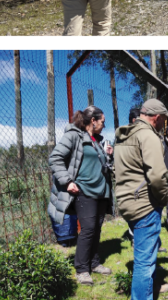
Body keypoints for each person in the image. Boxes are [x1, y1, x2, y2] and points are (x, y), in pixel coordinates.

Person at [48, 106, 114, 285]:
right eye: (102, 121)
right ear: (93, 120)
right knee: (88, 230)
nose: (104, 125)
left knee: (97, 228)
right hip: (84, 190)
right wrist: (67, 181)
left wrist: (108, 156)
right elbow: (55, 158)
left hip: (101, 192)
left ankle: (94, 263)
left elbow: (99, 165)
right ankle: (82, 269)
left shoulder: (97, 140)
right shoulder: (73, 135)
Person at [114, 99, 168, 299]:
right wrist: (164, 198)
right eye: (164, 118)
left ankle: (150, 287)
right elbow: (156, 176)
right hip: (145, 204)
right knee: (144, 262)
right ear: (157, 117)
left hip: (127, 200)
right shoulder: (149, 137)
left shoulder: (124, 135)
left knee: (144, 255)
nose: (165, 122)